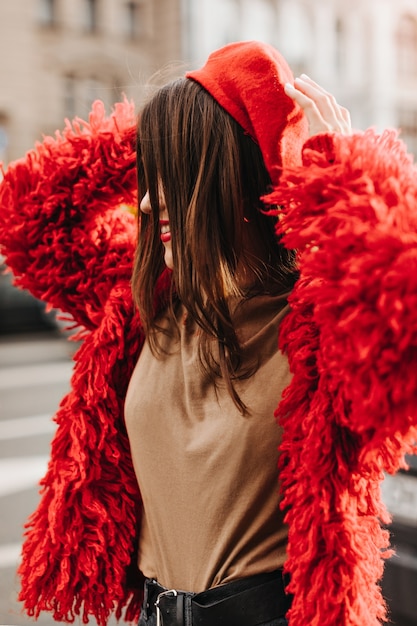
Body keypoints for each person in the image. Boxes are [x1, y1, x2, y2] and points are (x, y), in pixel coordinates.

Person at [0, 40, 416, 626]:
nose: (144, 202)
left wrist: (330, 168)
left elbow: (404, 319)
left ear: (233, 174)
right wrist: (173, 125)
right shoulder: (144, 307)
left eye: (174, 175)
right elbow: (29, 214)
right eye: (151, 174)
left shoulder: (319, 324)